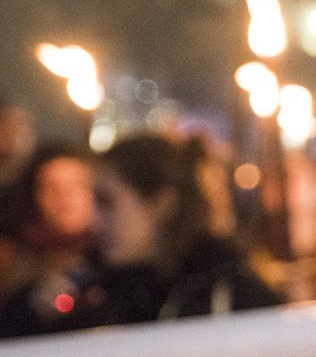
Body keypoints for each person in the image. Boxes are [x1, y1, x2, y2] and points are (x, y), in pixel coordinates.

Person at [1, 133, 281, 336]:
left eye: (107, 202)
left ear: (160, 204)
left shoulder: (233, 295)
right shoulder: (92, 293)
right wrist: (32, 312)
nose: (95, 218)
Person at [0, 144, 96, 335]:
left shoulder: (112, 255)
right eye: (51, 186)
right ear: (34, 195)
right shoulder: (8, 257)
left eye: (77, 185)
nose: (64, 196)